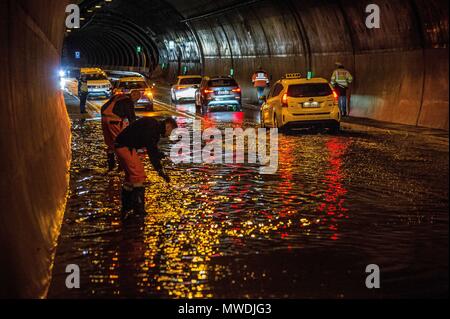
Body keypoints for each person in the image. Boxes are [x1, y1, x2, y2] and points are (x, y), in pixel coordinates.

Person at [114, 117, 178, 219]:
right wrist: (160, 170)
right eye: (171, 132)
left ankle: (127, 207)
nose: (169, 135)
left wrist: (160, 155)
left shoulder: (154, 126)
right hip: (125, 147)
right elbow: (151, 151)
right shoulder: (153, 130)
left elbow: (152, 148)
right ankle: (138, 210)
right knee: (139, 175)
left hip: (122, 145)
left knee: (130, 178)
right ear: (168, 126)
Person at [101, 91, 139, 171]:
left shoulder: (119, 96)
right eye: (136, 99)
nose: (136, 101)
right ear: (133, 95)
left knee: (110, 143)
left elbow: (104, 106)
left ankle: (111, 166)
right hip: (114, 121)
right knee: (120, 142)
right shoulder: (129, 101)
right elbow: (132, 118)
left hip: (104, 118)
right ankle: (121, 166)